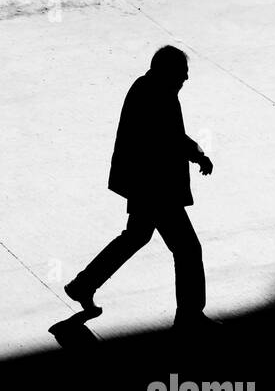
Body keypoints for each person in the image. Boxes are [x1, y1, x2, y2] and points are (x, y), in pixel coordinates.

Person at [64, 46, 217, 330]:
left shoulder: (147, 87)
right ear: (168, 72)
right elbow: (169, 138)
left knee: (135, 236)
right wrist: (198, 154)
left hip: (142, 184)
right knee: (187, 249)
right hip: (157, 188)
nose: (185, 79)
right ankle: (190, 314)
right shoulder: (158, 95)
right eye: (182, 74)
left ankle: (84, 284)